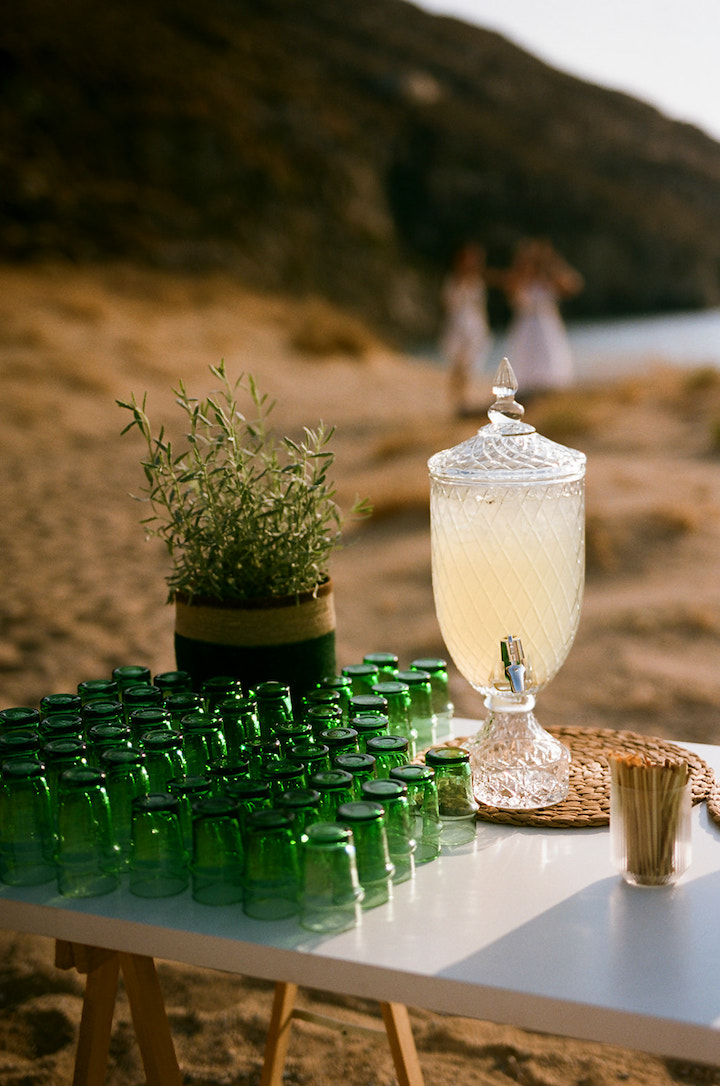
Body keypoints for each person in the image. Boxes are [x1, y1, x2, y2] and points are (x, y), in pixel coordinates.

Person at [502, 238, 584, 397]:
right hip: (526, 327)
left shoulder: (549, 281)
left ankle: (549, 390)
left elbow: (574, 285)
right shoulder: (519, 280)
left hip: (547, 325)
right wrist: (522, 265)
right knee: (526, 360)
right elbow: (510, 290)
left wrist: (552, 262)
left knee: (550, 357)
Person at [440, 243, 494, 417]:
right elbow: (449, 303)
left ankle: (465, 401)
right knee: (458, 365)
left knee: (470, 365)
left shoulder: (477, 281)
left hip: (475, 326)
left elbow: (480, 307)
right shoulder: (454, 280)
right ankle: (458, 402)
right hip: (459, 325)